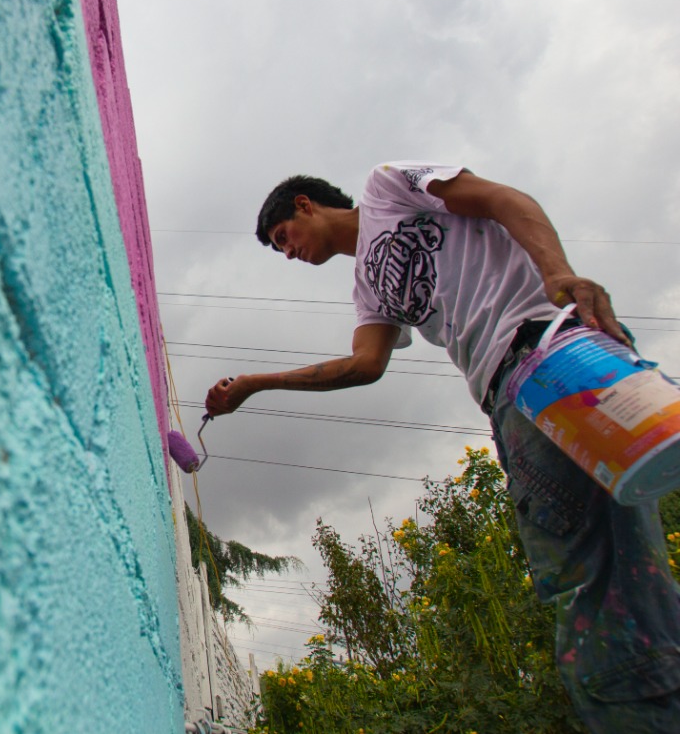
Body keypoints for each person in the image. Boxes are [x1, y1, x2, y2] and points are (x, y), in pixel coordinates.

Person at [205, 162, 680, 732]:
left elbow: (502, 198)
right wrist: (256, 385)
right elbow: (364, 365)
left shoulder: (388, 187)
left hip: (553, 352)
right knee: (622, 569)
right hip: (510, 399)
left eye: (284, 238)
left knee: (605, 578)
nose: (288, 254)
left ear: (305, 205)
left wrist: (559, 275)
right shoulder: (368, 289)